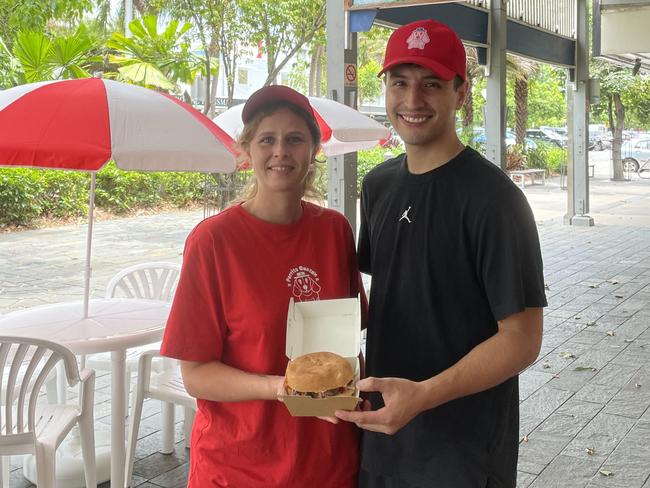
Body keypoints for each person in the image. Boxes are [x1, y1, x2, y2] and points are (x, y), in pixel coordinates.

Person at [334, 19, 547, 488]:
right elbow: (394, 297)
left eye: (431, 84)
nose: (412, 101)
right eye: (400, 82)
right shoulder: (378, 185)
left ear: (461, 92)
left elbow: (523, 338)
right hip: (384, 433)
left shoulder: (495, 200)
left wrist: (425, 395)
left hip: (462, 449)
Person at [160, 85, 363, 487]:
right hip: (239, 466)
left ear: (314, 151)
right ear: (246, 150)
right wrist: (278, 387)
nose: (280, 152)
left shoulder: (334, 231)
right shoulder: (214, 241)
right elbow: (196, 374)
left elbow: (347, 342)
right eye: (267, 139)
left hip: (327, 462)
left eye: (295, 139)